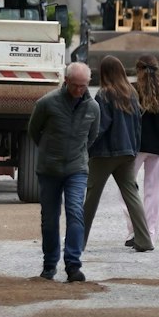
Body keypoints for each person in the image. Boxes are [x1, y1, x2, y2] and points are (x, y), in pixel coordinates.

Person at [28, 62, 102, 282]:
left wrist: (78, 156)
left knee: (75, 212)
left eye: (83, 86)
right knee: (50, 219)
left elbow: (92, 136)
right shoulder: (47, 103)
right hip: (49, 169)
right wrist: (49, 151)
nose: (79, 90)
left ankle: (73, 265)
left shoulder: (93, 108)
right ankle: (49, 264)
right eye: (75, 85)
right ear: (66, 81)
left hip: (76, 168)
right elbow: (34, 130)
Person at [82, 56, 152, 253]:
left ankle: (78, 241)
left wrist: (87, 147)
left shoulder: (103, 95)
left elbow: (100, 127)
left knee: (91, 198)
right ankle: (144, 239)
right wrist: (134, 148)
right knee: (132, 195)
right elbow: (138, 126)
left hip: (104, 154)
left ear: (105, 73)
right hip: (128, 152)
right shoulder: (131, 93)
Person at [134, 55, 159, 246]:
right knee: (153, 191)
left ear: (138, 70)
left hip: (135, 148)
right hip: (157, 148)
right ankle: (149, 233)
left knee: (126, 189)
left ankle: (133, 231)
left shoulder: (133, 92)